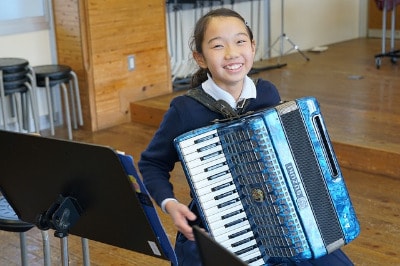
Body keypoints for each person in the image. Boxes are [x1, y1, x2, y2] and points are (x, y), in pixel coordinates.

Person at [138, 7, 353, 266]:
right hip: (217, 224)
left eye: (240, 42)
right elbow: (152, 163)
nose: (231, 53)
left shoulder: (266, 94)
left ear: (252, 47)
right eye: (218, 46)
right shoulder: (186, 110)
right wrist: (170, 204)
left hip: (278, 220)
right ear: (200, 58)